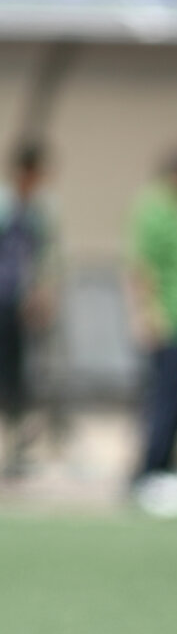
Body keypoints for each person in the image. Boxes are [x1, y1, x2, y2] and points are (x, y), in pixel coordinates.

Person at [126, 151, 177, 510]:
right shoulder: (156, 208)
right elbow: (141, 264)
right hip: (166, 321)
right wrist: (147, 313)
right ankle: (148, 472)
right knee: (163, 399)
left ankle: (168, 468)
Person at [0, 140, 57, 476]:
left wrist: (40, 294)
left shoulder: (36, 213)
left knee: (16, 379)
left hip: (18, 307)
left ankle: (14, 450)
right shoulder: (5, 206)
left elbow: (41, 258)